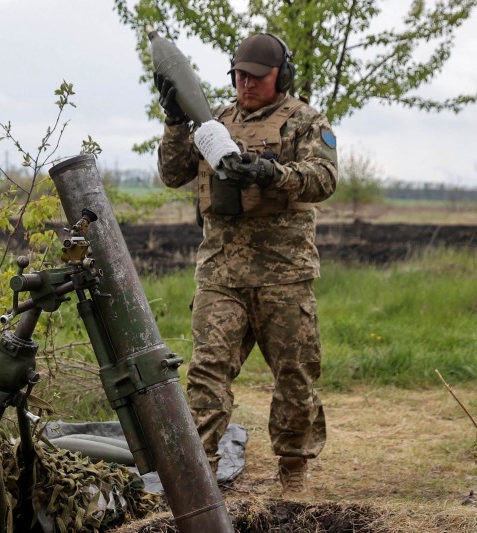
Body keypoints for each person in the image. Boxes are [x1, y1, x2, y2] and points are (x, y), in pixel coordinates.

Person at [154, 32, 337, 498]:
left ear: (282, 76)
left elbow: (324, 178)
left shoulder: (305, 121)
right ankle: (202, 468)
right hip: (221, 274)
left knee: (295, 374)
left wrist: (272, 173)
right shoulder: (213, 122)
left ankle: (293, 464)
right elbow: (173, 174)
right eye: (238, 75)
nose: (245, 83)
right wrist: (176, 121)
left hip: (284, 275)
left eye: (256, 76)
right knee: (207, 371)